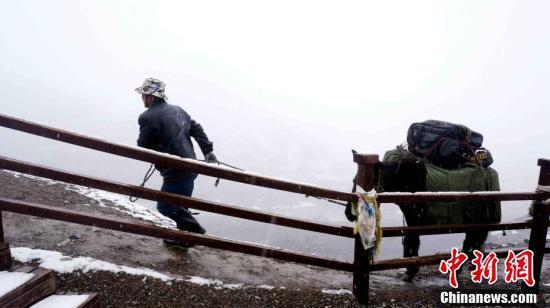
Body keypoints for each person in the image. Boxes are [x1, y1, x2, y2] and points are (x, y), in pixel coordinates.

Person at [135, 77, 218, 247]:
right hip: (192, 166)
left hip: (175, 171)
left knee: (166, 206)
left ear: (150, 96)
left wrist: (159, 149)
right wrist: (208, 151)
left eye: (143, 94)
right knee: (180, 206)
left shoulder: (147, 117)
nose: (142, 97)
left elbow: (142, 144)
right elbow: (196, 128)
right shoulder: (178, 110)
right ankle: (184, 240)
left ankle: (197, 233)